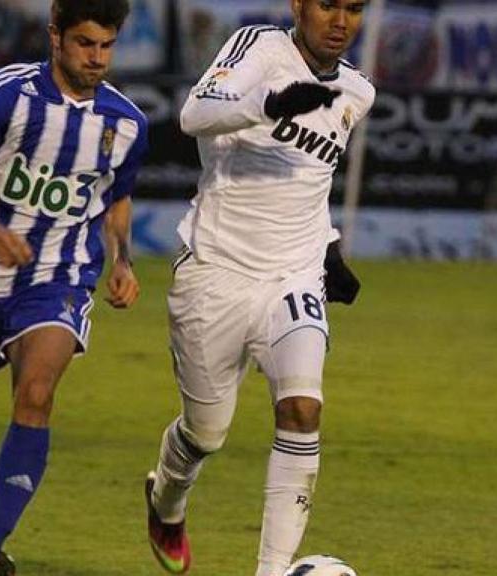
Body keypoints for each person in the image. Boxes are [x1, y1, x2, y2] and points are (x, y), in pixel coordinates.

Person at [143, 1, 372, 575]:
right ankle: (166, 501)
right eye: (327, 5)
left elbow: (312, 181)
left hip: (292, 280)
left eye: (354, 8)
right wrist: (269, 104)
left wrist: (327, 249)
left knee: (302, 409)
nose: (340, 20)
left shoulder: (356, 92)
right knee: (206, 432)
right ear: (298, 5)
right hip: (215, 273)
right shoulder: (259, 49)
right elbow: (194, 115)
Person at [0, 1, 145, 574]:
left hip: (58, 278)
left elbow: (116, 197)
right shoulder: (1, 94)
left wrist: (122, 259)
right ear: (55, 36)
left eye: (107, 46)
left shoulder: (127, 123)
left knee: (38, 393)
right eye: (85, 44)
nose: (97, 58)